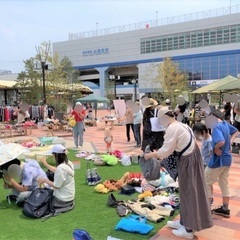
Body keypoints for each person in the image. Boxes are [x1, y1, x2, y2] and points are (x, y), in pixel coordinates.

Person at [144, 106, 213, 239]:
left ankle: (188, 230)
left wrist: (150, 155)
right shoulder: (181, 125)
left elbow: (165, 151)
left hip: (188, 161)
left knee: (188, 193)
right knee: (187, 192)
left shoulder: (172, 128)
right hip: (192, 159)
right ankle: (184, 222)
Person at [205, 109, 238, 218]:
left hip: (217, 160)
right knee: (224, 183)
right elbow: (236, 131)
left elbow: (221, 141)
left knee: (206, 182)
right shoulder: (224, 124)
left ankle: (207, 209)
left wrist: (215, 147)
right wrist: (230, 142)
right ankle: (225, 208)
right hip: (227, 159)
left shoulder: (216, 127)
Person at [38, 144, 75, 213]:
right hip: (69, 196)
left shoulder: (61, 168)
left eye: (53, 154)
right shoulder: (68, 163)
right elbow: (57, 170)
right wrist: (45, 164)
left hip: (63, 199)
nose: (53, 156)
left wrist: (45, 180)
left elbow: (56, 186)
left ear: (57, 155)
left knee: (43, 197)